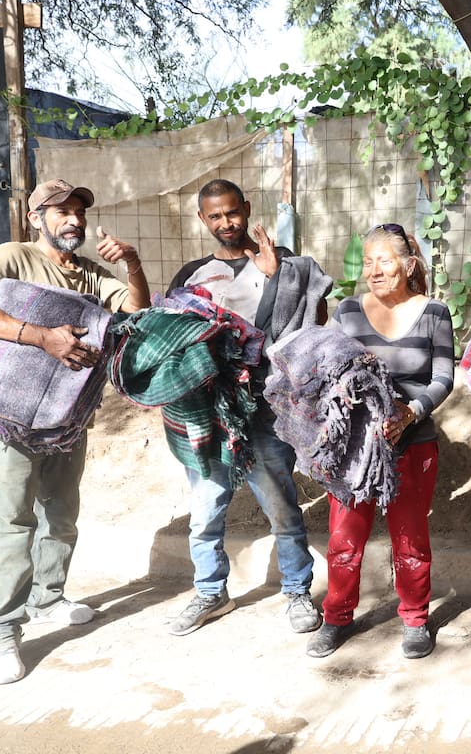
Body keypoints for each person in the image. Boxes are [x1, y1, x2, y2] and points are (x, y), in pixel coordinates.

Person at [0, 179, 150, 685]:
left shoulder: (92, 275)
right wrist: (40, 336)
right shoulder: (11, 257)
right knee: (11, 522)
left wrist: (132, 266)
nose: (73, 219)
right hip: (9, 414)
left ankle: (48, 600)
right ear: (36, 218)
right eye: (61, 212)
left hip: (65, 417)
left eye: (78, 211)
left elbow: (135, 309)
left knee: (60, 513)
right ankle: (3, 633)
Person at [166, 179, 322, 636]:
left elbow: (314, 321)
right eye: (215, 216)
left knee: (280, 503)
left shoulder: (283, 261)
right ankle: (211, 593)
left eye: (232, 213)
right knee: (206, 506)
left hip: (266, 404)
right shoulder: (191, 275)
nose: (226, 223)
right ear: (203, 220)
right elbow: (173, 337)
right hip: (209, 409)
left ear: (247, 209)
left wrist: (277, 277)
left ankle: (297, 590)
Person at [305, 223, 454, 659]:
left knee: (410, 538)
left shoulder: (434, 312)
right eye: (367, 262)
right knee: (344, 539)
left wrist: (411, 412)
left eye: (383, 261)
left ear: (408, 266)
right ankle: (336, 617)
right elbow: (325, 370)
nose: (373, 270)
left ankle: (415, 618)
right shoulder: (348, 312)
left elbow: (443, 378)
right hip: (355, 450)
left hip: (415, 443)